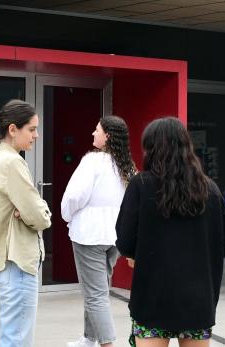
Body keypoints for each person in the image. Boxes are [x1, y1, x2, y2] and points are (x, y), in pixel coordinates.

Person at [116, 117, 225, 347]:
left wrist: (136, 254)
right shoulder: (209, 189)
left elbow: (125, 240)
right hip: (198, 301)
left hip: (152, 298)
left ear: (151, 149)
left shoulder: (140, 185)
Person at [61, 115, 138, 347]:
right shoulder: (128, 167)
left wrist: (66, 216)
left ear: (108, 136)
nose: (93, 134)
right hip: (114, 236)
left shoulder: (92, 162)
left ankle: (106, 343)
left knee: (95, 294)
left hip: (89, 235)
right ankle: (89, 338)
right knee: (98, 287)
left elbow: (74, 196)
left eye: (97, 130)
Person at [0, 99, 52, 347]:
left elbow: (31, 211)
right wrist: (42, 210)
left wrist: (34, 210)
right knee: (18, 338)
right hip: (17, 261)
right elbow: (39, 215)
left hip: (7, 261)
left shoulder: (1, 159)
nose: (36, 135)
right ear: (13, 129)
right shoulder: (12, 162)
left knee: (12, 334)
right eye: (31, 129)